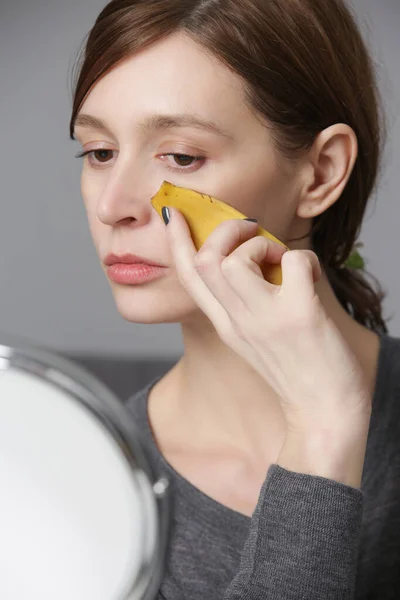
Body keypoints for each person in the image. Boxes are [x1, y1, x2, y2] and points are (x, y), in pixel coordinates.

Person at [69, 0, 400, 597]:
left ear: (322, 173)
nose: (112, 204)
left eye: (181, 156)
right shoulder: (85, 493)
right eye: (99, 152)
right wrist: (322, 429)